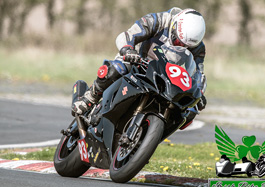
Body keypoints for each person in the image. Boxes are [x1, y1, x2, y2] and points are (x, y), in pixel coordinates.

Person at [72, 7, 207, 125]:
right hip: (137, 61)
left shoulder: (198, 48)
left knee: (188, 111)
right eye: (178, 41)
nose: (181, 46)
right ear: (175, 27)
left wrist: (198, 92)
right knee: (119, 68)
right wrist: (128, 50)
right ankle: (89, 98)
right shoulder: (158, 20)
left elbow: (199, 73)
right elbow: (128, 34)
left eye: (186, 46)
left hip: (164, 77)